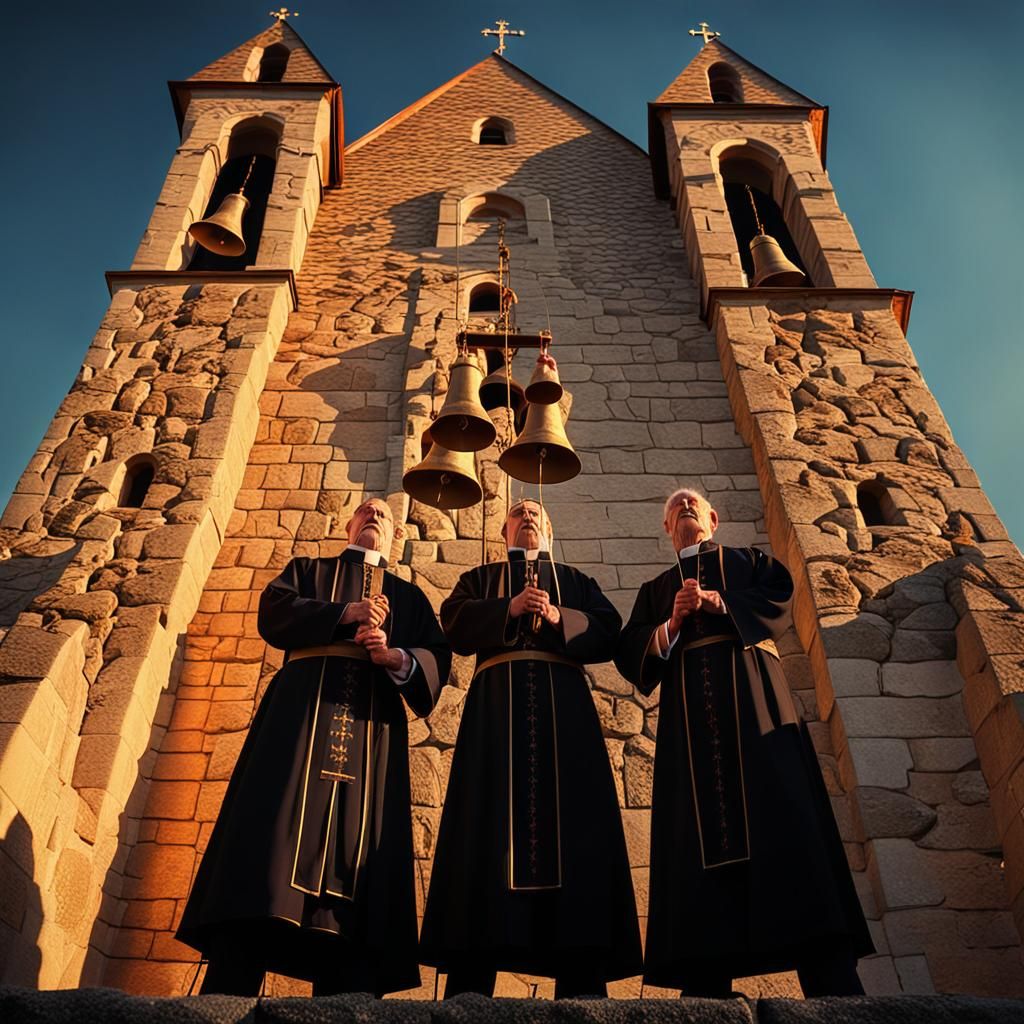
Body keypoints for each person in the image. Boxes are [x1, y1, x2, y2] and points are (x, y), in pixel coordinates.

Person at [177, 498, 451, 997]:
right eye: (365, 512)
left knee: (359, 862)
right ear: (348, 525)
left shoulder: (409, 599)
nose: (374, 517)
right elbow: (274, 612)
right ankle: (230, 986)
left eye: (385, 517)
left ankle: (345, 990)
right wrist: (347, 612)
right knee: (267, 849)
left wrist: (393, 656)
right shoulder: (306, 570)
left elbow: (436, 659)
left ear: (395, 537)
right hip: (297, 722)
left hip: (372, 734)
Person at [615, 488, 873, 998]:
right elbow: (630, 652)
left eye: (692, 504)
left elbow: (780, 597)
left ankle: (829, 978)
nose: (684, 509)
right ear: (667, 530)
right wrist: (671, 623)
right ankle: (705, 981)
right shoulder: (655, 589)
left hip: (759, 707)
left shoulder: (752, 562)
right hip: (689, 727)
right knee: (696, 840)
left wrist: (718, 602)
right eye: (674, 508)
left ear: (712, 518)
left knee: (788, 824)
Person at [419, 499, 642, 999]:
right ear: (504, 532)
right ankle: (470, 984)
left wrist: (558, 615)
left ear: (551, 530)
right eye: (518, 513)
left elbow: (609, 631)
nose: (528, 517)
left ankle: (582, 981)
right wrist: (509, 608)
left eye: (537, 512)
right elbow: (454, 622)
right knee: (485, 833)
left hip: (567, 720)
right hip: (493, 722)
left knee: (576, 834)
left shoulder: (575, 580)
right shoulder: (481, 579)